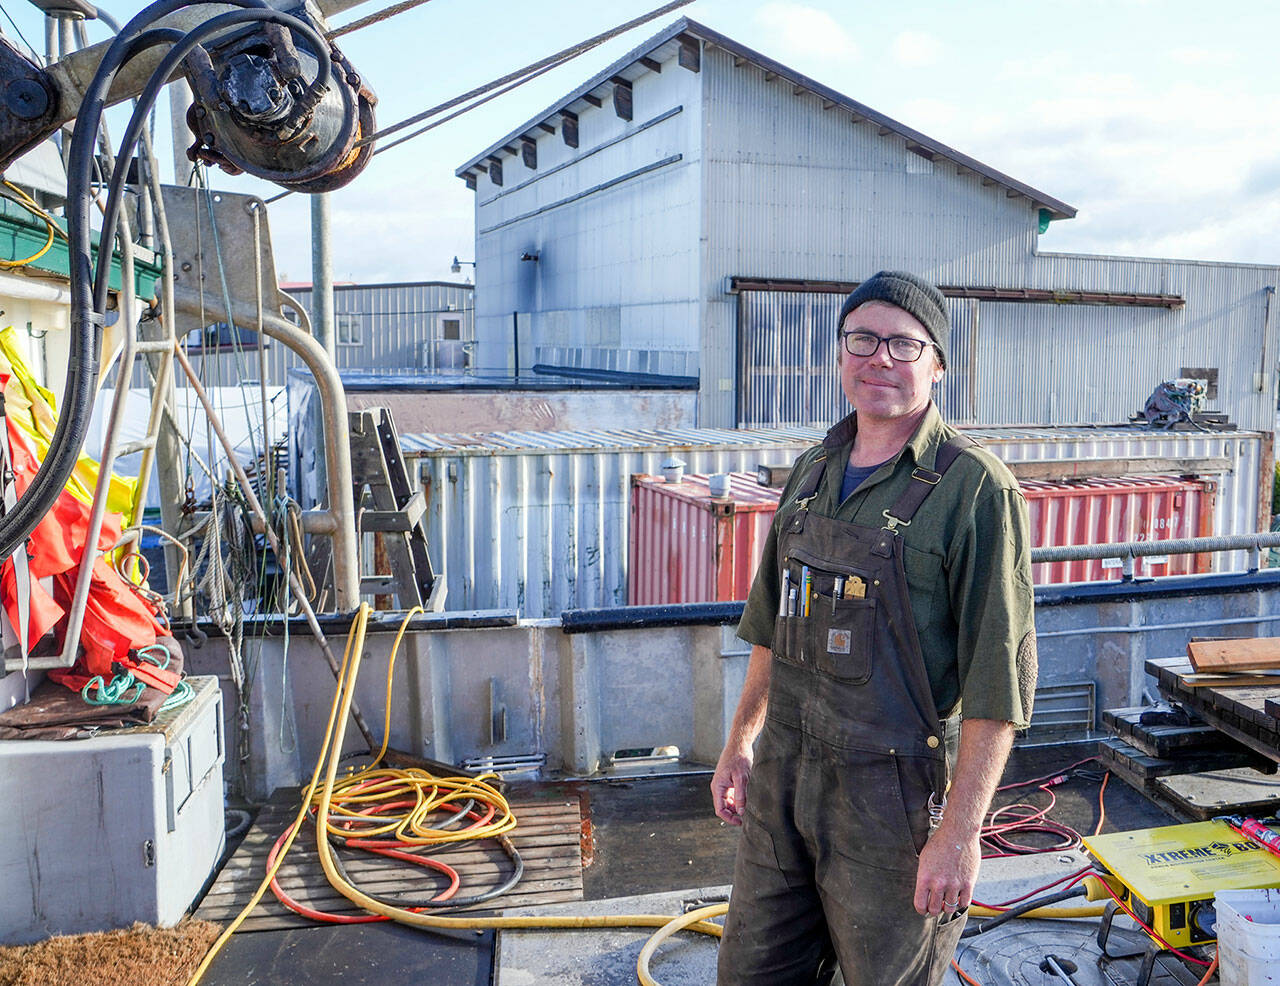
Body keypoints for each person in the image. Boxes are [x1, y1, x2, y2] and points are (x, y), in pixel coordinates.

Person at [711, 270, 1037, 986]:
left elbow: (997, 685)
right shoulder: (811, 470)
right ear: (839, 354)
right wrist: (741, 741)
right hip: (783, 787)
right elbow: (772, 624)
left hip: (892, 810)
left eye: (903, 344)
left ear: (938, 364)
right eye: (862, 339)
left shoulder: (975, 489)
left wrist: (958, 835)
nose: (880, 358)